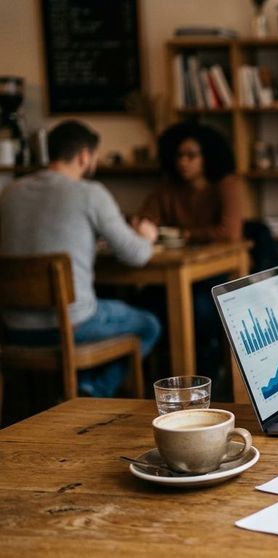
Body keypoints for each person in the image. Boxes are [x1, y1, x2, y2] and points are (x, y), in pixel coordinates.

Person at [0, 120, 161, 397]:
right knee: (149, 324)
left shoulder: (10, 191)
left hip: (12, 327)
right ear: (85, 156)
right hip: (72, 326)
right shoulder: (90, 193)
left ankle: (74, 390)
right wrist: (147, 236)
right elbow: (136, 255)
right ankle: (93, 390)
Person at [136, 121, 248, 396]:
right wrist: (142, 226)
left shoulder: (225, 185)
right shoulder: (168, 188)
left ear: (207, 156)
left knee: (198, 307)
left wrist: (185, 234)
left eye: (191, 155)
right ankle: (154, 387)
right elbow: (145, 219)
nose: (183, 162)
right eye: (179, 156)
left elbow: (228, 232)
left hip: (216, 274)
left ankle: (197, 385)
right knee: (143, 304)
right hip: (174, 273)